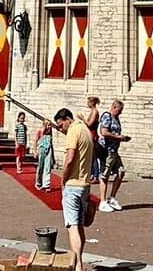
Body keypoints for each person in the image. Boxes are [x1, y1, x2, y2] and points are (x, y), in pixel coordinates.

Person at [54, 107, 94, 270]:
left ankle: (77, 265)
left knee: (72, 226)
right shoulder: (85, 129)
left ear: (67, 119)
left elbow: (70, 159)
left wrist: (63, 179)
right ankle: (79, 261)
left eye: (60, 125)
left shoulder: (73, 131)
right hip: (85, 184)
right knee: (80, 225)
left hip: (73, 184)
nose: (60, 129)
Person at [97, 99, 130, 212]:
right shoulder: (107, 116)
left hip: (114, 151)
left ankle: (112, 198)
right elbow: (104, 132)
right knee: (104, 175)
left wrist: (123, 138)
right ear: (114, 107)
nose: (120, 113)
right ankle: (102, 201)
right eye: (119, 110)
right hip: (106, 150)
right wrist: (118, 137)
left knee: (121, 172)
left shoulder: (116, 118)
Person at [80, 96, 102, 182]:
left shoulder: (95, 112)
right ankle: (92, 174)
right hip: (90, 133)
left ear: (92, 103)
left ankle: (96, 175)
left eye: (89, 102)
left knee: (94, 156)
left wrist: (82, 118)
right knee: (91, 156)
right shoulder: (92, 111)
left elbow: (90, 124)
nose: (87, 104)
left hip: (93, 135)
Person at [34, 120, 55, 192]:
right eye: (48, 125)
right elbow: (36, 141)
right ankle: (38, 183)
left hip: (48, 149)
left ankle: (46, 185)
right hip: (42, 149)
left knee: (47, 167)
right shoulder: (40, 131)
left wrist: (53, 156)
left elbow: (51, 143)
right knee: (40, 166)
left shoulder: (50, 132)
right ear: (44, 125)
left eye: (50, 125)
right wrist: (35, 151)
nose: (49, 126)